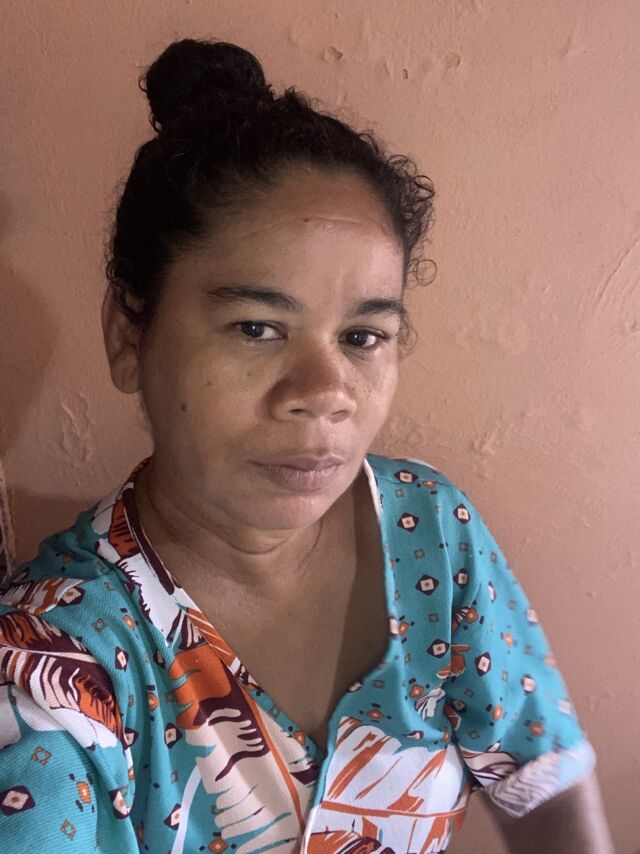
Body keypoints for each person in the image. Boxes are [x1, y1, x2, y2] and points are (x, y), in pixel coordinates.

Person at [0, 38, 613, 854]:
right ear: (127, 335)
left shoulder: (431, 531)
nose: (326, 392)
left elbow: (545, 781)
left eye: (363, 336)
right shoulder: (57, 664)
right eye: (257, 327)